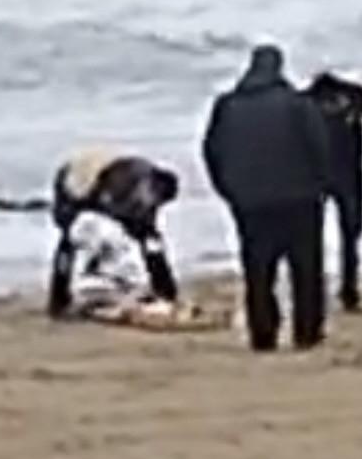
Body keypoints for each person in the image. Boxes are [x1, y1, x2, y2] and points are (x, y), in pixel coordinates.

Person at [203, 44, 332, 352]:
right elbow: (320, 148)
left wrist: (229, 190)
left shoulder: (227, 106)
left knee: (258, 272)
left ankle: (263, 334)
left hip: (250, 203)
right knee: (306, 269)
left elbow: (212, 152)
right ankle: (307, 332)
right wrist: (321, 185)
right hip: (300, 198)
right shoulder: (299, 105)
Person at [48, 151, 180, 319]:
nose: (154, 206)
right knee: (70, 241)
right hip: (77, 182)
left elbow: (148, 235)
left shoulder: (143, 187)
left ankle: (161, 289)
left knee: (145, 237)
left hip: (100, 182)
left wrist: (167, 291)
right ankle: (60, 298)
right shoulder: (124, 183)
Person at [304, 72, 362, 312]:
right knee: (351, 234)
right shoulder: (355, 95)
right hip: (349, 173)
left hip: (313, 175)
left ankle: (314, 289)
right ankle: (349, 290)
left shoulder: (304, 101)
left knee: (311, 237)